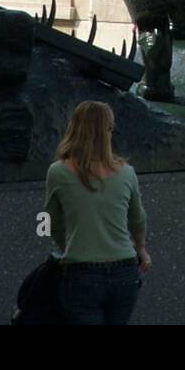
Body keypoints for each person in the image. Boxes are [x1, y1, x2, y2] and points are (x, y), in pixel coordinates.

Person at [44, 100, 151, 325]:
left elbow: (51, 221)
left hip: (80, 273)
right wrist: (141, 248)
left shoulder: (57, 172)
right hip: (125, 271)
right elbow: (138, 218)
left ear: (74, 128)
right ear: (108, 131)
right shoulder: (127, 173)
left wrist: (69, 247)